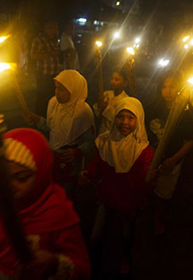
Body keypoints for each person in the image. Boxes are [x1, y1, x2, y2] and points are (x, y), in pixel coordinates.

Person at [0, 128, 91, 280]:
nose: (10, 185)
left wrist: (54, 263)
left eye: (21, 178)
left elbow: (83, 269)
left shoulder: (58, 214)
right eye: (4, 177)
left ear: (41, 174)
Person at [80, 97, 154, 278]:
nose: (125, 123)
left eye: (131, 118)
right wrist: (88, 173)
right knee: (96, 237)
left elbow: (145, 177)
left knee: (126, 235)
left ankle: (125, 259)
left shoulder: (143, 150)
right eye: (121, 117)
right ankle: (93, 266)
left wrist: (150, 178)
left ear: (139, 120)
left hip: (129, 202)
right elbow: (98, 164)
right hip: (107, 197)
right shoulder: (105, 141)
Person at [25, 70, 95, 202]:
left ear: (74, 90)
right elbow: (52, 128)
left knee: (68, 195)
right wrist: (38, 120)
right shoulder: (53, 104)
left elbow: (90, 142)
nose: (57, 92)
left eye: (62, 89)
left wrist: (77, 151)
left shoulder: (83, 111)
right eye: (56, 88)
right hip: (54, 158)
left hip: (71, 163)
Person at [147, 71, 193, 235]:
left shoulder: (185, 113)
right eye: (164, 87)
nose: (168, 91)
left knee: (163, 195)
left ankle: (157, 219)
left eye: (172, 86)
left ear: (179, 88)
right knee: (147, 188)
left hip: (170, 161)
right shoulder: (154, 107)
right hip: (152, 157)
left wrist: (174, 159)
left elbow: (191, 141)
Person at [31, 20, 62, 116]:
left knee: (51, 97)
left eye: (57, 29)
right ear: (47, 29)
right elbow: (33, 55)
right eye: (54, 29)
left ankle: (49, 117)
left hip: (54, 74)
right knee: (42, 98)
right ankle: (39, 118)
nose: (56, 31)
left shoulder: (54, 40)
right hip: (43, 76)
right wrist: (49, 54)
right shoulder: (38, 40)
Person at [93, 68, 129, 135]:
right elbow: (98, 114)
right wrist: (99, 104)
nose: (113, 81)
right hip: (102, 133)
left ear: (125, 83)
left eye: (117, 80)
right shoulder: (106, 94)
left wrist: (106, 107)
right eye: (112, 79)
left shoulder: (126, 100)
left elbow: (120, 119)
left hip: (116, 135)